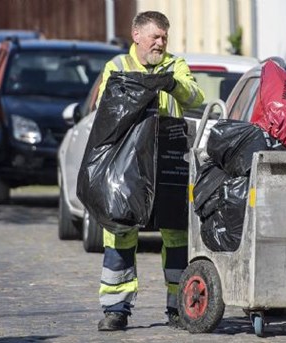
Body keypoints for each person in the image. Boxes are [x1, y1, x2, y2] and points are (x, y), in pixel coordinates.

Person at [94, 11, 205, 331]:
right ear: (137, 36)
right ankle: (116, 309)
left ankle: (179, 306)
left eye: (164, 38)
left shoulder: (175, 66)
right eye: (155, 37)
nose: (160, 43)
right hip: (126, 163)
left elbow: (196, 96)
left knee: (176, 234)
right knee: (120, 231)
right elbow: (106, 107)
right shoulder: (116, 67)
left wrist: (171, 84)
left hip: (169, 160)